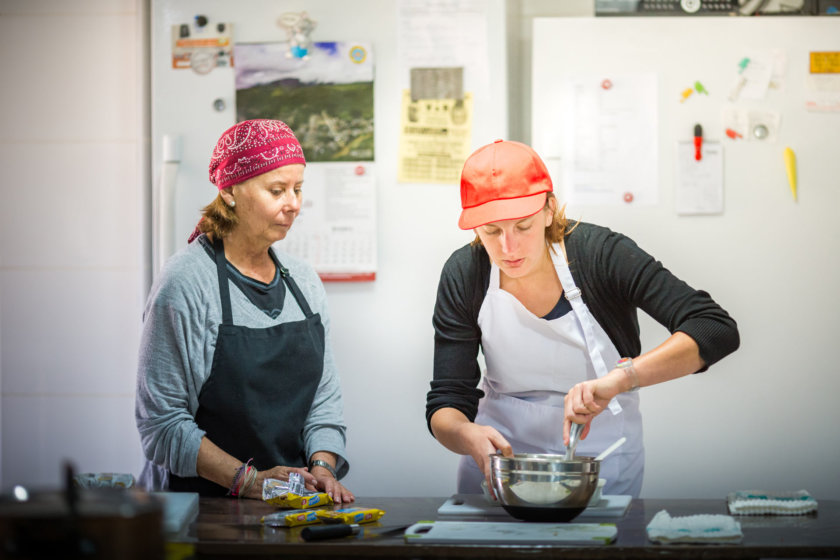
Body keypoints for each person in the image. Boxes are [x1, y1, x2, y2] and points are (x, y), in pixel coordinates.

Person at [426, 139, 739, 498]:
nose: (508, 248)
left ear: (548, 210)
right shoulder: (465, 273)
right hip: (501, 463)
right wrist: (466, 435)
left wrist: (622, 379)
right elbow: (446, 400)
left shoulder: (601, 255)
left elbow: (714, 328)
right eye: (492, 231)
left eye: (523, 227)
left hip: (601, 459)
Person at [136, 119, 354, 502]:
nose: (294, 204)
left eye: (298, 189)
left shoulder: (303, 282)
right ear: (231, 191)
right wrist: (250, 481)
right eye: (277, 190)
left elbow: (324, 400)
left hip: (289, 503)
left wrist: (322, 469)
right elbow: (161, 425)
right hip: (197, 508)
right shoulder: (185, 283)